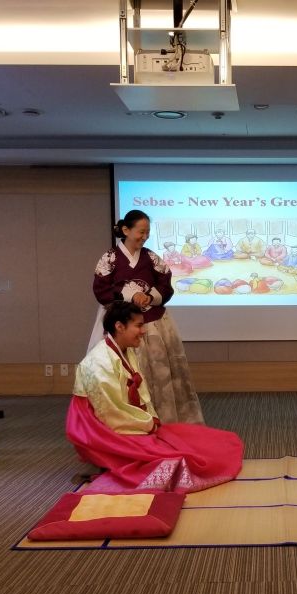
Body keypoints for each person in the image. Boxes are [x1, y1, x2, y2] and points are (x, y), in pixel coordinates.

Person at [69, 301, 242, 492]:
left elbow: (139, 395)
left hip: (129, 423)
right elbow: (111, 413)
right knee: (178, 460)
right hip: (103, 431)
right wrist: (148, 424)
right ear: (119, 326)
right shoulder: (99, 364)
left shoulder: (124, 350)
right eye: (138, 325)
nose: (143, 331)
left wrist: (150, 421)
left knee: (200, 440)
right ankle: (113, 462)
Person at [89, 210, 204, 424]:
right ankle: (125, 425)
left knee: (161, 376)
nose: (145, 236)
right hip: (120, 327)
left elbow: (166, 284)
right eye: (141, 232)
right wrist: (131, 295)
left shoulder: (151, 257)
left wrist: (150, 297)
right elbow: (101, 290)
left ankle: (165, 421)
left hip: (152, 325)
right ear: (125, 230)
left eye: (148, 232)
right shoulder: (110, 258)